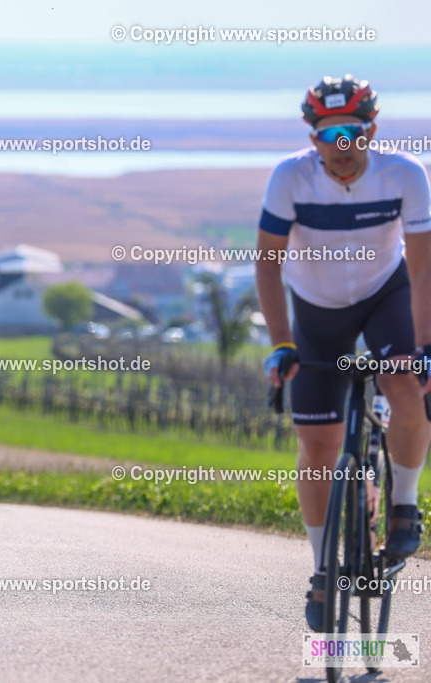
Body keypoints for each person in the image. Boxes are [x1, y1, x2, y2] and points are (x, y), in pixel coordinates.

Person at [256, 75, 431, 632]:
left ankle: (404, 502)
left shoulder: (404, 174)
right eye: (328, 133)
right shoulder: (290, 179)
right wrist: (281, 342)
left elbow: (424, 266)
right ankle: (321, 571)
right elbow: (266, 264)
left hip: (387, 295)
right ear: (312, 136)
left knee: (405, 386)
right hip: (317, 311)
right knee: (319, 445)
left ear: (371, 130)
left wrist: (425, 346)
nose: (341, 145)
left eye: (352, 132)